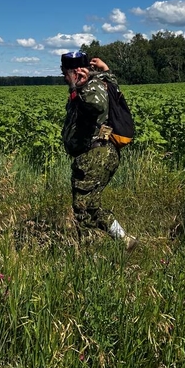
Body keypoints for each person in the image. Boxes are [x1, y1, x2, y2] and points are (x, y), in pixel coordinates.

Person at [60, 51, 136, 249]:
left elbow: (97, 104)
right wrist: (106, 70)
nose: (65, 76)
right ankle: (124, 241)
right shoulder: (101, 80)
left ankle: (89, 254)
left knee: (83, 209)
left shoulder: (91, 86)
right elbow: (110, 81)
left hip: (96, 156)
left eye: (66, 72)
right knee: (91, 206)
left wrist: (80, 85)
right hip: (96, 155)